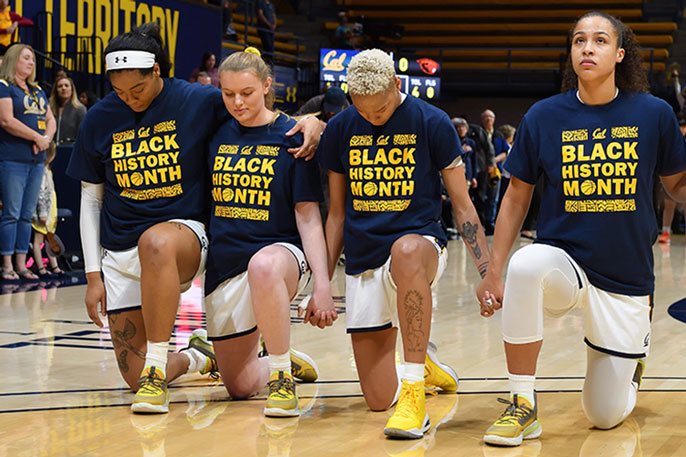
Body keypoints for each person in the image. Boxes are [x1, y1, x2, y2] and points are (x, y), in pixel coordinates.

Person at [66, 24, 323, 414]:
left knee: (156, 241)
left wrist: (312, 122)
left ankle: (158, 367)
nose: (129, 100)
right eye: (120, 93)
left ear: (157, 72)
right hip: (120, 248)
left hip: (183, 236)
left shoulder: (197, 99)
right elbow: (90, 197)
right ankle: (199, 357)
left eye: (137, 91)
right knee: (132, 376)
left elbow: (256, 108)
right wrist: (92, 275)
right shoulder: (100, 118)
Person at [477, 11, 686, 447]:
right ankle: (523, 404)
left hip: (626, 279)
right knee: (528, 264)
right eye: (578, 40)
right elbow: (516, 197)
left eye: (599, 40)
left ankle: (632, 367)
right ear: (571, 52)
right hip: (565, 264)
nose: (587, 48)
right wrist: (492, 270)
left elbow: (677, 187)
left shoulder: (654, 114)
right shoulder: (544, 116)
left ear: (619, 54)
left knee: (604, 415)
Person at [319, 49, 491, 439]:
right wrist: (323, 285)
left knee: (407, 251)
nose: (372, 118)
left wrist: (488, 272)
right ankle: (424, 364)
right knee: (378, 399)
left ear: (398, 85)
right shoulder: (341, 129)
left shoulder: (433, 123)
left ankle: (415, 393)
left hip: (421, 245)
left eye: (379, 110)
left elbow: (463, 207)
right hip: (364, 256)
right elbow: (335, 215)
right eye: (362, 111)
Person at [204, 48, 335, 417]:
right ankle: (281, 356)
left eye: (246, 92)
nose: (237, 102)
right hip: (226, 263)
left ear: (266, 85)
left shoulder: (292, 135)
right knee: (240, 385)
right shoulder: (214, 133)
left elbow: (308, 215)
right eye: (228, 94)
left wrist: (323, 285)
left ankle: (281, 379)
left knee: (262, 266)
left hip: (281, 256)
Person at [0, 44, 56, 281]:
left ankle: (22, 265)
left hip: (37, 160)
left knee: (27, 215)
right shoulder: (4, 87)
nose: (31, 62)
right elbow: (6, 120)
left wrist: (45, 140)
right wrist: (35, 137)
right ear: (14, 60)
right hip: (13, 159)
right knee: (11, 213)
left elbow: (50, 119)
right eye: (26, 58)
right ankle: (6, 265)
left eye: (32, 59)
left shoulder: (37, 90)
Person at [31, 142, 64, 278]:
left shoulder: (47, 171)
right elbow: (42, 194)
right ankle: (41, 268)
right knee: (38, 241)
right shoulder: (42, 173)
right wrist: (43, 214)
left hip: (50, 213)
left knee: (49, 240)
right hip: (42, 214)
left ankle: (54, 266)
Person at [49, 75, 86, 145]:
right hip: (50, 150)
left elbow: (82, 136)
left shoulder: (80, 110)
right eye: (60, 86)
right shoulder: (49, 108)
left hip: (70, 150)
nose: (63, 88)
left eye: (66, 85)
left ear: (72, 90)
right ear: (55, 90)